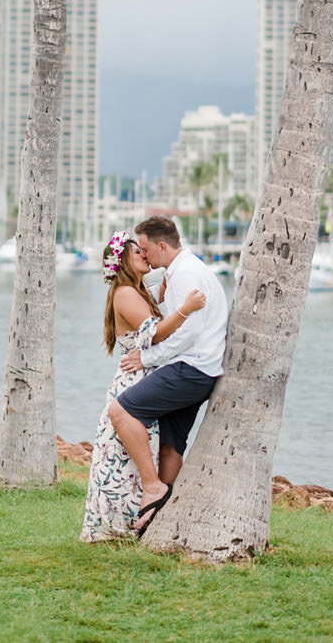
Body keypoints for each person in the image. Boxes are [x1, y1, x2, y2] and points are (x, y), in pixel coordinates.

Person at [81, 231, 207, 542]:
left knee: (135, 458)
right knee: (121, 461)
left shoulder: (139, 290)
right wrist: (186, 310)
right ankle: (116, 529)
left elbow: (163, 286)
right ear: (124, 258)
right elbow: (157, 333)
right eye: (139, 251)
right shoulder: (125, 293)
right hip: (134, 380)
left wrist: (173, 264)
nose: (145, 254)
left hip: (145, 376)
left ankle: (139, 523)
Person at [107, 215, 229, 536]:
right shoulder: (179, 273)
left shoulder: (186, 273)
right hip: (199, 369)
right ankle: (158, 521)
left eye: (145, 249)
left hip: (191, 368)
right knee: (171, 446)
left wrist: (146, 357)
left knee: (120, 411)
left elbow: (183, 334)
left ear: (162, 246)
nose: (144, 255)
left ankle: (152, 488)